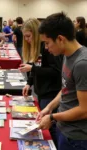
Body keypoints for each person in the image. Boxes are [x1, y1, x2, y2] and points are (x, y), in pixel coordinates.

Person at [37, 12, 87, 150]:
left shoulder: (82, 63)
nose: (46, 48)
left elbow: (84, 110)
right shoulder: (67, 55)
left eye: (47, 43)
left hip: (77, 138)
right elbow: (66, 88)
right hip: (64, 129)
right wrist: (49, 107)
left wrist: (53, 117)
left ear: (60, 39)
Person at [19, 18, 62, 147]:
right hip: (41, 91)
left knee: (50, 127)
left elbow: (55, 71)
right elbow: (35, 67)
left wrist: (32, 68)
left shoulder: (48, 48)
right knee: (44, 123)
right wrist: (28, 83)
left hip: (50, 92)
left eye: (28, 36)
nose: (26, 40)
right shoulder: (35, 48)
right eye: (25, 37)